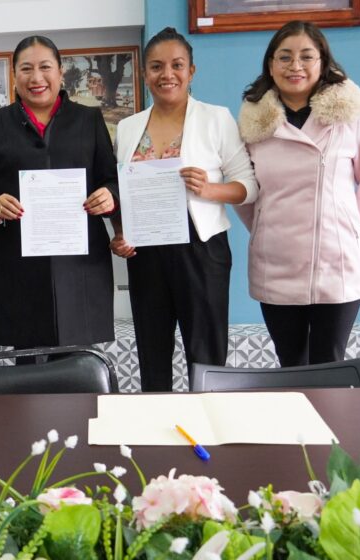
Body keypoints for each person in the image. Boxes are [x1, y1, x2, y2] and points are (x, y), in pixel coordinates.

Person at [110, 27, 258, 392]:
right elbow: (123, 191)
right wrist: (120, 234)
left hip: (201, 250)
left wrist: (210, 189)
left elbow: (249, 186)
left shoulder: (215, 118)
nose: (167, 74)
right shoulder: (127, 127)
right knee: (152, 354)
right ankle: (157, 426)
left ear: (191, 71)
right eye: (156, 66)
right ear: (145, 74)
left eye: (177, 65)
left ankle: (208, 422)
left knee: (206, 356)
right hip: (146, 253)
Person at [237, 20, 360, 367]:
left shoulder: (352, 114)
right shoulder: (253, 124)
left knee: (330, 365)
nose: (295, 66)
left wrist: (352, 233)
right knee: (291, 364)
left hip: (337, 261)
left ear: (322, 62)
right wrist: (267, 227)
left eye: (306, 57)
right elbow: (246, 192)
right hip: (276, 262)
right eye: (285, 57)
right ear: (271, 65)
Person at [0, 35, 118, 353]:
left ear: (60, 72)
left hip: (80, 263)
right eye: (26, 69)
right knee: (27, 367)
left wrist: (109, 195)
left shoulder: (89, 119)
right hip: (19, 265)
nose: (36, 77)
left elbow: (112, 179)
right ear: (14, 75)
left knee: (78, 364)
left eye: (45, 67)